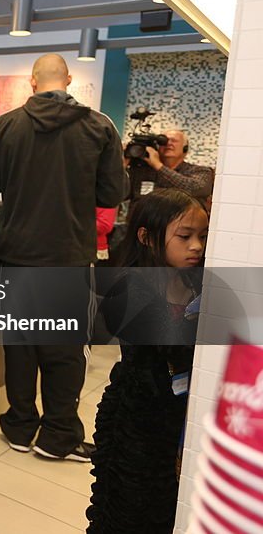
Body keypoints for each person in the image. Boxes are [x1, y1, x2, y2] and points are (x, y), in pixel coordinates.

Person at [0, 53, 126, 462]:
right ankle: (58, 435)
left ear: (33, 82)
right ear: (69, 80)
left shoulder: (7, 125)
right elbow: (112, 194)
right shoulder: (99, 127)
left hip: (16, 255)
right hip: (68, 257)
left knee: (19, 346)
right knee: (64, 351)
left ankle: (21, 425)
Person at [87, 189, 206, 533]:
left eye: (202, 236)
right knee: (130, 506)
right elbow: (174, 346)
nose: (196, 246)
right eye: (185, 236)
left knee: (165, 505)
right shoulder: (130, 287)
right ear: (146, 236)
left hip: (172, 416)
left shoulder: (188, 279)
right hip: (137, 416)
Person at [127, 129, 213, 206]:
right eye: (163, 141)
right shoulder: (142, 171)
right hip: (140, 222)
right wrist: (122, 164)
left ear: (185, 149)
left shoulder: (200, 171)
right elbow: (120, 195)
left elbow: (194, 189)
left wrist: (158, 165)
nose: (168, 143)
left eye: (174, 141)